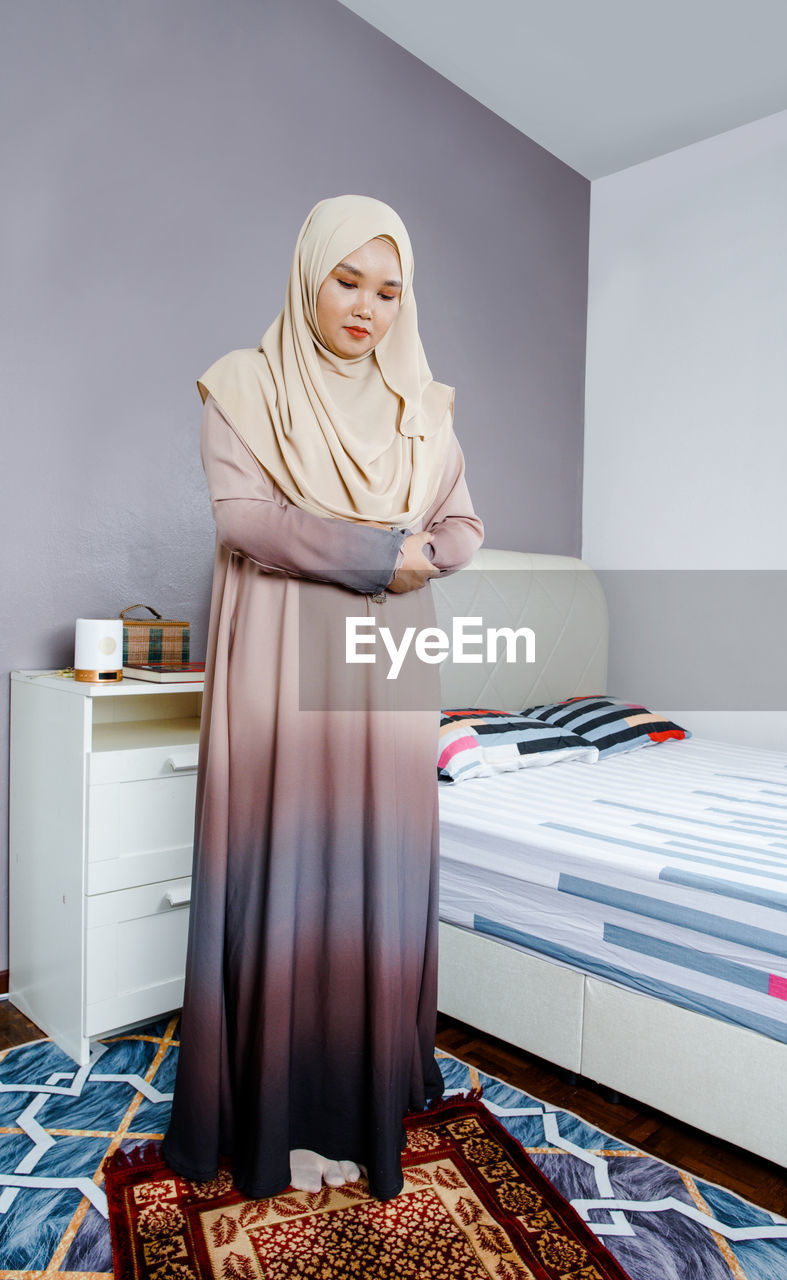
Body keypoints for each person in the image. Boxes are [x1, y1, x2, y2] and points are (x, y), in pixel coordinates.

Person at [162, 194, 484, 1202]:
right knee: (282, 864)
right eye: (348, 280)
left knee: (372, 872)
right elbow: (247, 518)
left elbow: (464, 525)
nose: (367, 309)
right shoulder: (245, 384)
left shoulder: (421, 405)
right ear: (309, 272)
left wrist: (426, 552)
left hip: (388, 659)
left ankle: (360, 1098)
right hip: (281, 647)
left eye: (389, 291)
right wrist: (375, 552)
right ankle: (270, 1113)